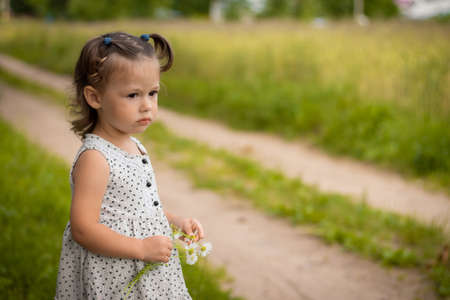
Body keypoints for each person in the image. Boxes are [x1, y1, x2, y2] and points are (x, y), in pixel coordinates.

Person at [54, 31, 204, 299]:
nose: (147, 106)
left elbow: (138, 209)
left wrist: (175, 221)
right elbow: (83, 228)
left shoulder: (134, 145)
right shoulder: (95, 158)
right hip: (114, 271)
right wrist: (141, 249)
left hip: (144, 266)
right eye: (133, 95)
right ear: (95, 97)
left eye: (153, 93)